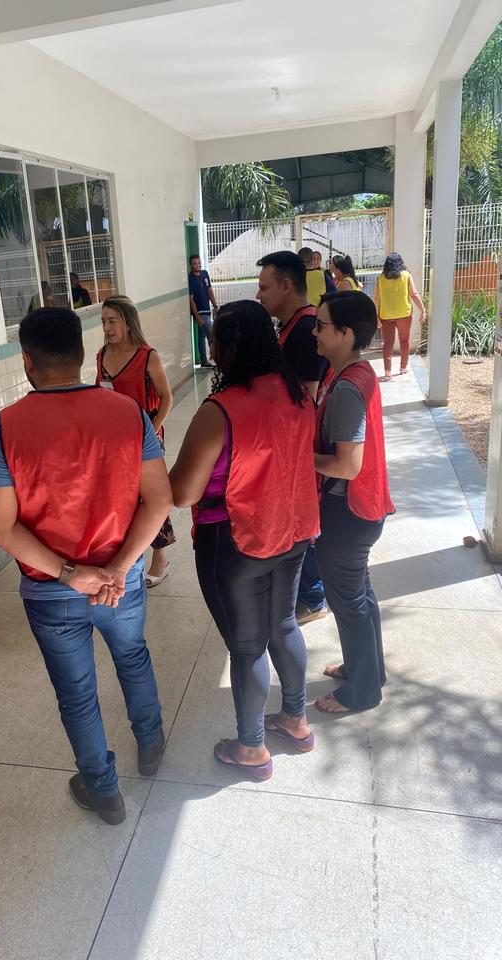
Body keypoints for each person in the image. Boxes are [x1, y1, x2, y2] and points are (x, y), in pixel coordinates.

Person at [0, 307, 172, 825]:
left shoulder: (7, 427)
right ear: (84, 353)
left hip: (51, 591)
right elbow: (160, 499)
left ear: (27, 360)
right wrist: (120, 567)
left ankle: (103, 790)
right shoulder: (128, 413)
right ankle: (151, 745)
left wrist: (71, 574)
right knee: (133, 656)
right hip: (120, 582)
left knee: (76, 692)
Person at [169, 301, 319, 781]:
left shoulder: (220, 409)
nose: (211, 348)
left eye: (216, 340)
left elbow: (182, 492)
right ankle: (295, 719)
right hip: (293, 533)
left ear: (229, 348)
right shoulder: (299, 396)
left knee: (248, 647)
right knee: (285, 625)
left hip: (236, 543)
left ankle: (252, 747)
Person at [312, 291, 395, 713]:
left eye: (321, 325)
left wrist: (299, 458)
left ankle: (362, 692)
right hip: (361, 509)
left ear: (345, 333)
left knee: (349, 602)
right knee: (359, 594)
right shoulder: (353, 371)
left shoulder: (346, 388)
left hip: (347, 514)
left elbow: (347, 465)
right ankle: (368, 669)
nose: (314, 332)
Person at [256, 250, 329, 626]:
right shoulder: (289, 326)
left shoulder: (305, 330)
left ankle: (313, 596)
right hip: (289, 448)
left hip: (302, 448)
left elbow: (305, 403)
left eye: (264, 287)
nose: (259, 295)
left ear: (286, 285)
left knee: (304, 520)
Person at [96, 296, 175, 586]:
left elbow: (166, 397)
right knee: (124, 497)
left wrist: (152, 430)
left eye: (112, 321)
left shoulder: (146, 356)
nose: (107, 327)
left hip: (146, 439)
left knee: (150, 497)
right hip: (115, 440)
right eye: (103, 321)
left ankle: (161, 558)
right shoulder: (102, 354)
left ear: (128, 323)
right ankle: (131, 553)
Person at [374, 252, 426, 381]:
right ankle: (403, 368)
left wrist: (376, 316)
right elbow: (414, 294)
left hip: (386, 315)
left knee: (388, 343)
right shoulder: (406, 275)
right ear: (400, 263)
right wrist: (423, 310)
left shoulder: (380, 278)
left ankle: (387, 373)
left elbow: (377, 298)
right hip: (404, 314)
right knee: (404, 340)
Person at [188, 255, 219, 368]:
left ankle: (203, 361)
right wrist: (197, 317)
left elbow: (209, 291)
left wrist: (215, 306)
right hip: (200, 313)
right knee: (212, 336)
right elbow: (191, 300)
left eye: (199, 262)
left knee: (201, 336)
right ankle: (219, 360)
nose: (198, 265)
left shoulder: (205, 274)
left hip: (207, 310)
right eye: (195, 263)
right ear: (191, 265)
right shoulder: (190, 279)